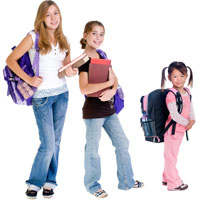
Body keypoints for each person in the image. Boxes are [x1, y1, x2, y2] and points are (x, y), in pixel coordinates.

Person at [6, 1, 76, 198]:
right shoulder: (33, 37)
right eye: (48, 15)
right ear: (41, 18)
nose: (53, 18)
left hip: (62, 95)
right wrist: (29, 79)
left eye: (56, 13)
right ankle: (35, 182)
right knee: (48, 144)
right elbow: (10, 60)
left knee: (57, 141)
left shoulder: (64, 39)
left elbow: (65, 69)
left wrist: (71, 71)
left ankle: (50, 181)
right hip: (42, 98)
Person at [78, 21, 143, 198]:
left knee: (122, 143)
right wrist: (107, 84)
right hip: (93, 112)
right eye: (94, 33)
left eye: (101, 34)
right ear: (85, 36)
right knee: (92, 150)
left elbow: (115, 77)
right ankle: (92, 185)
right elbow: (84, 88)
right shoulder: (83, 60)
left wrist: (112, 91)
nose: (98, 38)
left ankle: (126, 180)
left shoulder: (102, 54)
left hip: (109, 110)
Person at [160, 62, 195, 191]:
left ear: (186, 76)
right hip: (172, 130)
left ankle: (166, 178)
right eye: (175, 76)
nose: (178, 79)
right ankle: (173, 183)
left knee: (171, 155)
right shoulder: (171, 94)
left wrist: (193, 120)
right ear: (169, 77)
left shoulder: (187, 91)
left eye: (182, 75)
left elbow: (190, 107)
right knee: (171, 156)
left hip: (180, 130)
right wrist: (187, 123)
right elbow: (174, 115)